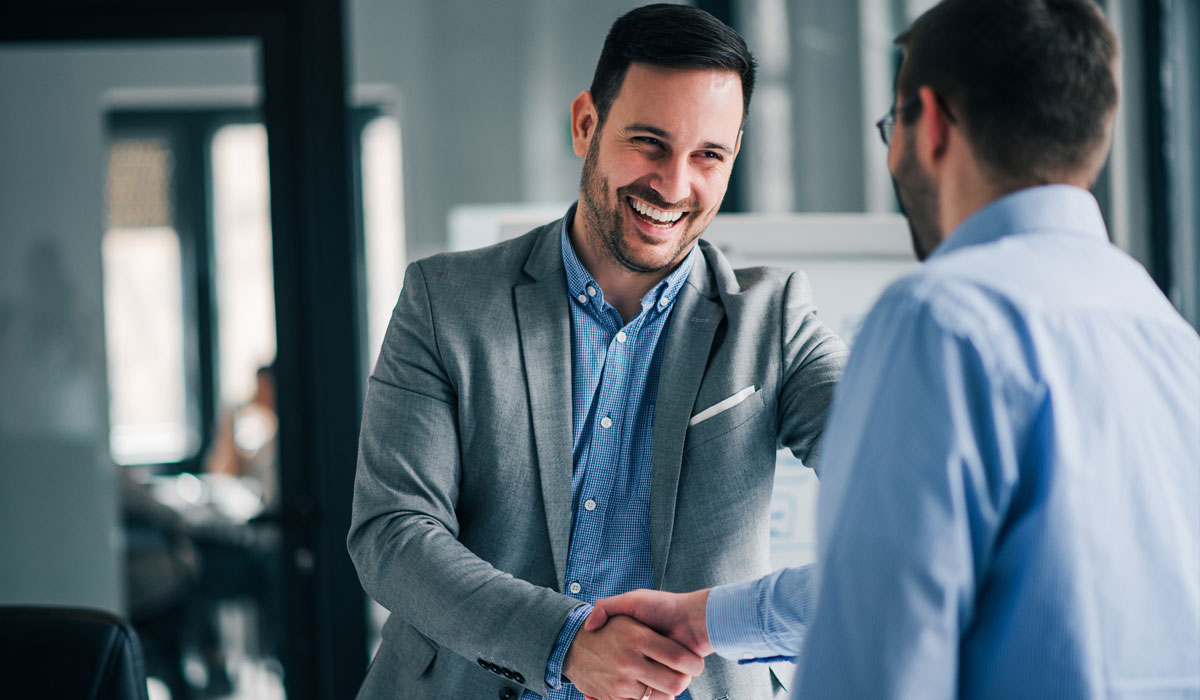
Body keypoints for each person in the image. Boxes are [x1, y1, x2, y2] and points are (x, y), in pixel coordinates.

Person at [585, 0, 1200, 698]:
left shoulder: (941, 321)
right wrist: (711, 618)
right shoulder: (1170, 339)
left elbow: (878, 655)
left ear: (930, 123)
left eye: (891, 126)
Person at [347, 5, 848, 700]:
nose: (674, 186)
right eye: (649, 143)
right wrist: (566, 644)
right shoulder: (445, 302)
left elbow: (910, 493)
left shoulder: (775, 321)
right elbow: (393, 535)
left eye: (709, 156)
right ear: (586, 124)